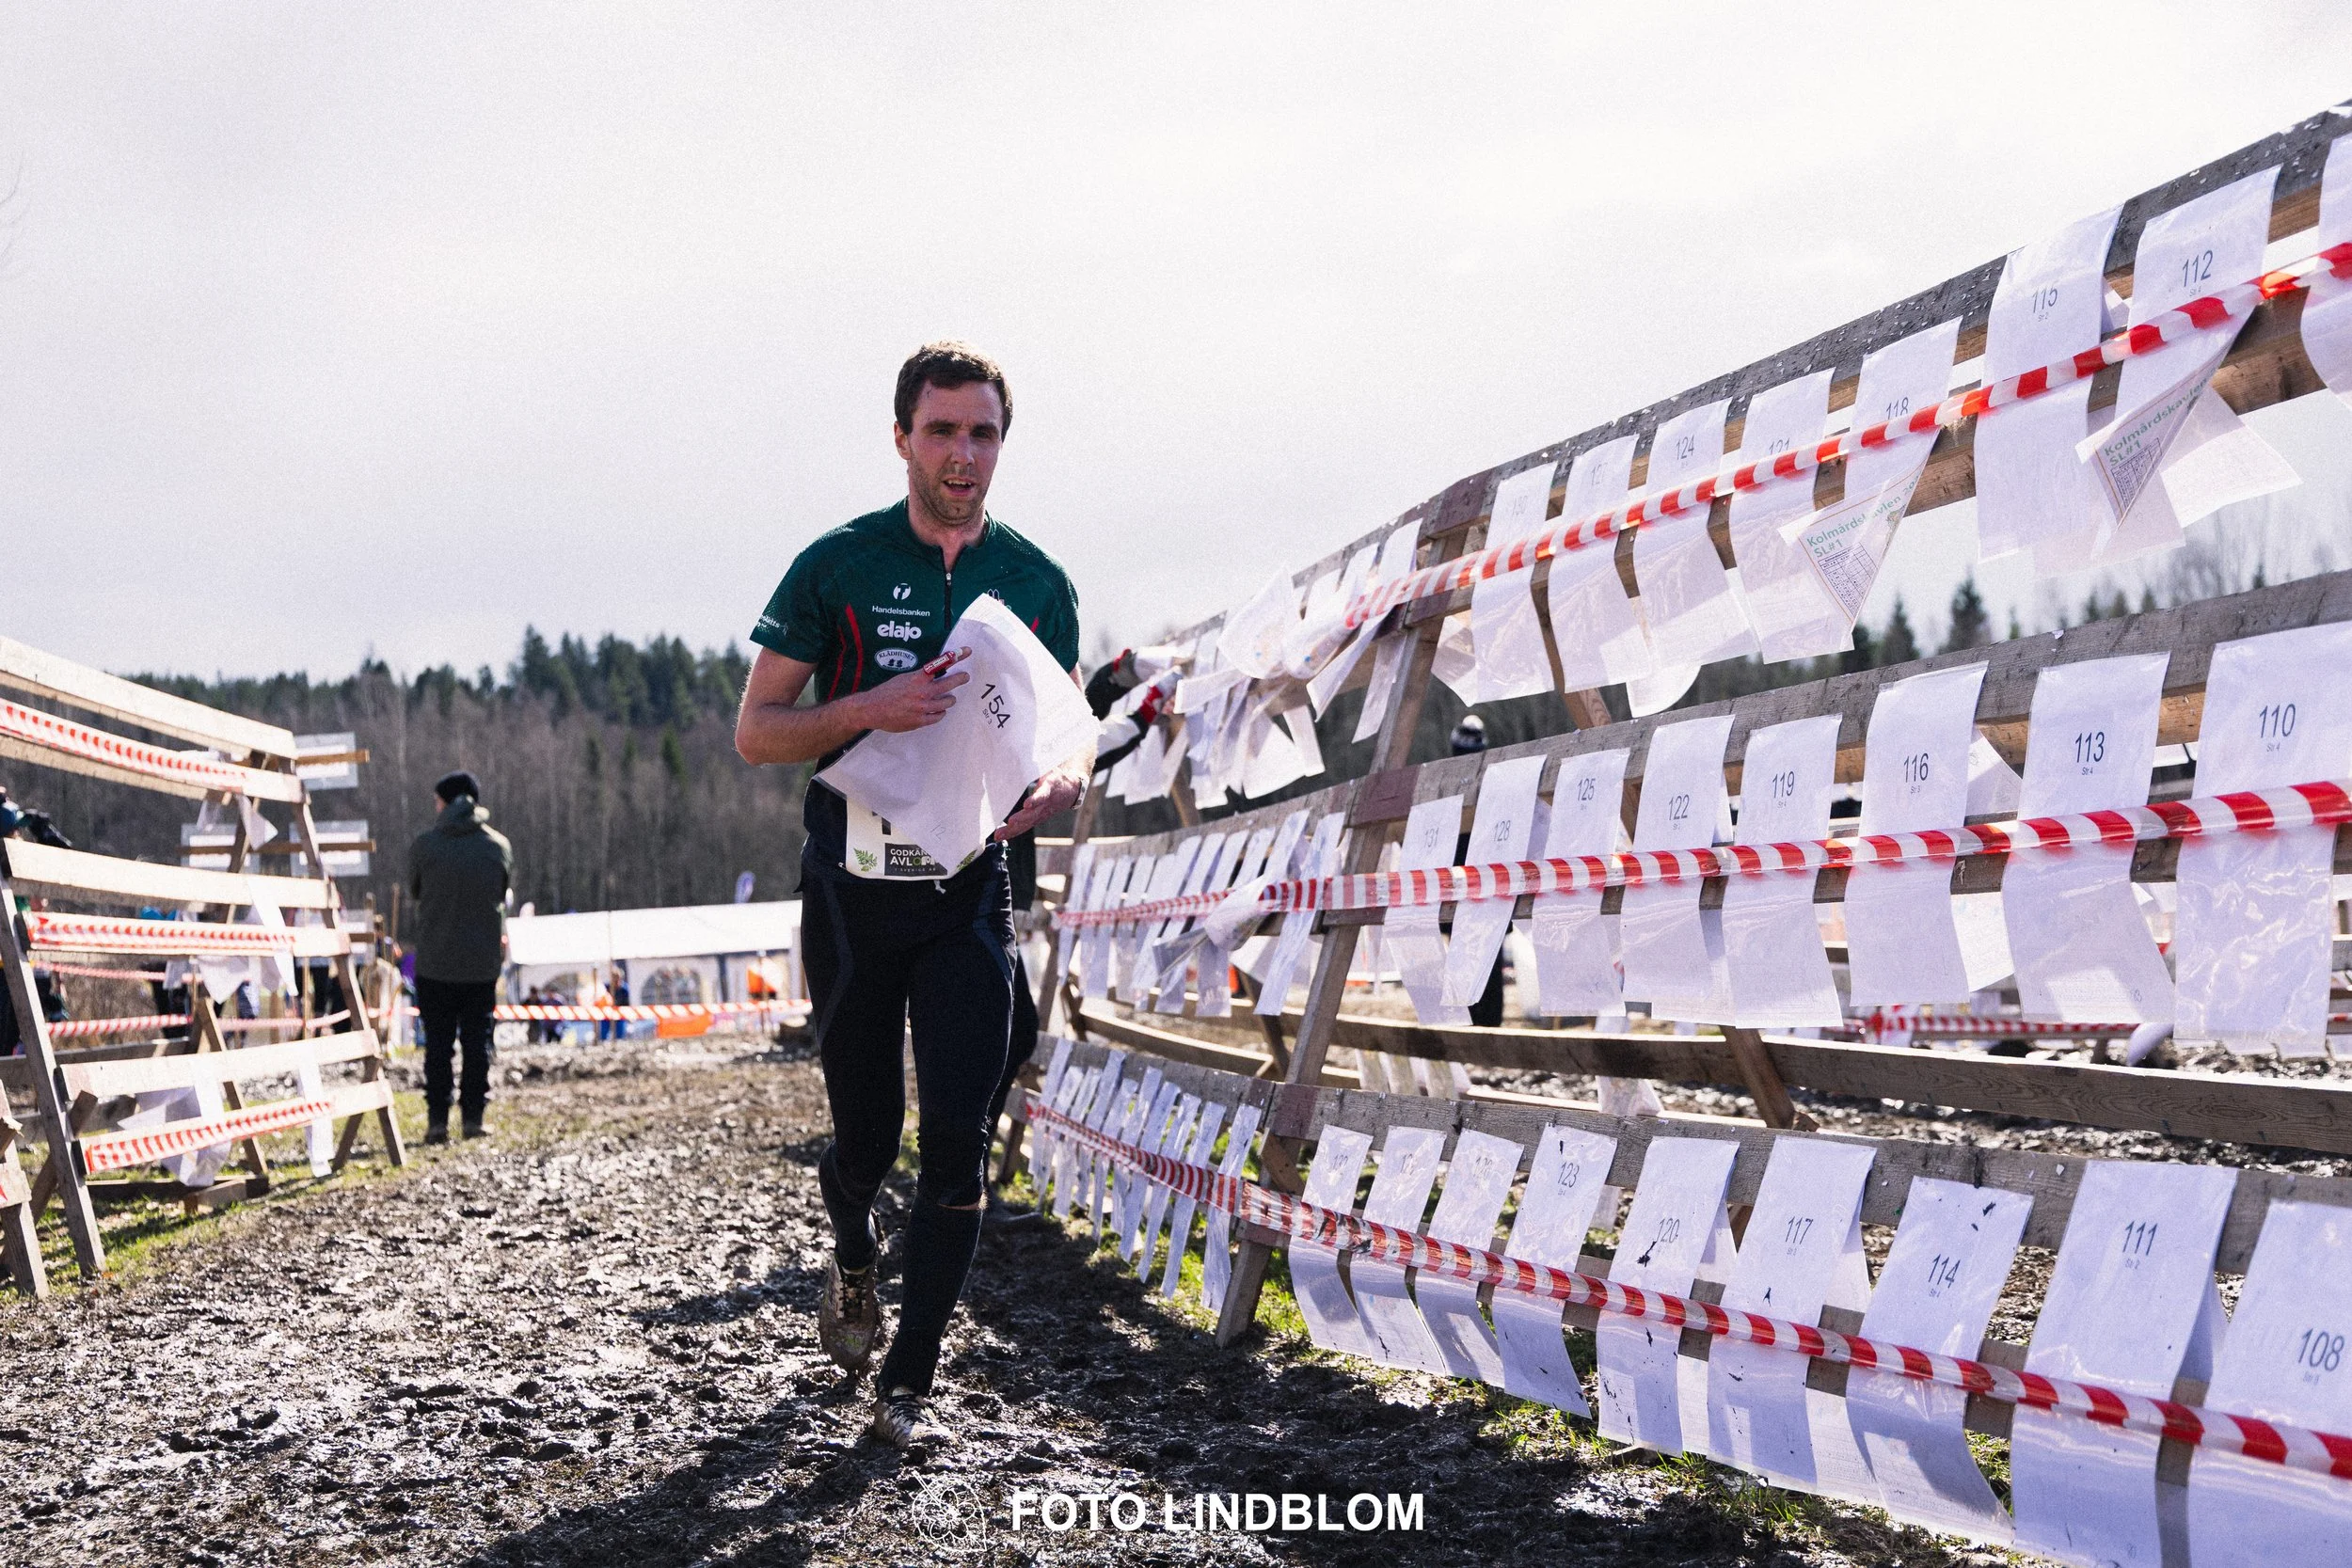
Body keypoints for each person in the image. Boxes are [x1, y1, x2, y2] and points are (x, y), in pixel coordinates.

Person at [735, 341, 1089, 1449]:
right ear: (901, 438)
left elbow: (1066, 744)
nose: (962, 453)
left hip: (967, 891)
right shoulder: (836, 565)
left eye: (982, 433)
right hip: (851, 890)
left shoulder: (1038, 583)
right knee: (864, 1139)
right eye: (941, 431)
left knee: (957, 1145)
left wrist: (1058, 786)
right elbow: (756, 732)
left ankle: (910, 1378)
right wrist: (867, 707)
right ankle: (851, 1251)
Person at [406, 769, 513, 1144]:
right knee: (477, 1044)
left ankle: (437, 1122)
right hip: (481, 965)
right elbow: (502, 889)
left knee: (437, 1046)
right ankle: (473, 1119)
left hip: (435, 963)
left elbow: (415, 890)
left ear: (447, 802)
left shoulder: (425, 845)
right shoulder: (497, 846)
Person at [1449, 714, 1508, 1028]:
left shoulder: (1458, 776)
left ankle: (1479, 1019)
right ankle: (1481, 1019)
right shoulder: (1488, 774)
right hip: (1478, 872)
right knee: (1482, 954)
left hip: (1477, 873)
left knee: (1476, 953)